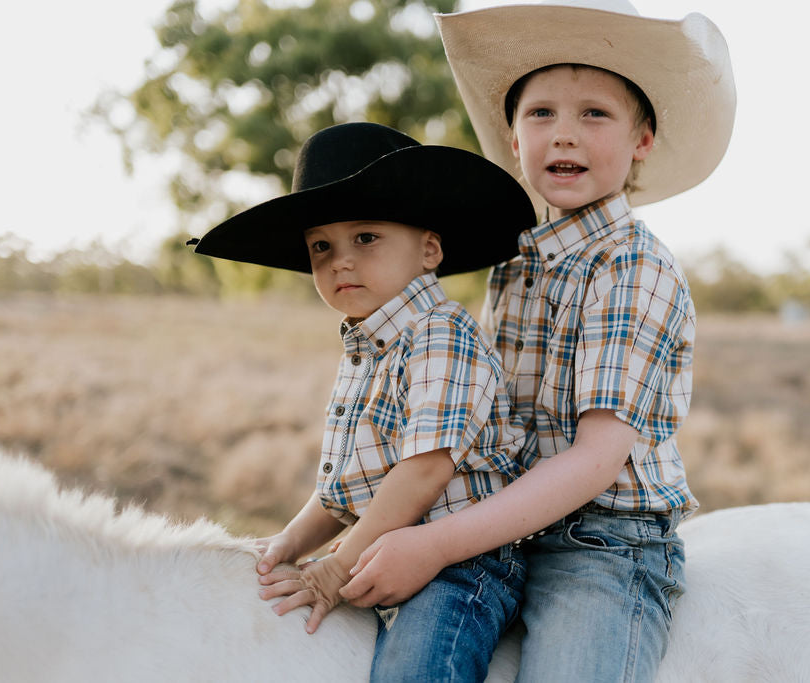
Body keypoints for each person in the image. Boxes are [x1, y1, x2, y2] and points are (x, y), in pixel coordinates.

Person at [337, 1, 737, 681]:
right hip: (504, 525)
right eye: (541, 113)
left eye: (595, 114)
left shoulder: (634, 266)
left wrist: (433, 542)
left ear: (643, 139)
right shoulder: (515, 260)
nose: (564, 136)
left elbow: (593, 460)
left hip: (606, 541)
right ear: (513, 135)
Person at [187, 121, 537, 682]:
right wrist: (286, 544)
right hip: (384, 541)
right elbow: (342, 492)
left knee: (415, 671)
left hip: (462, 562)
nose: (340, 261)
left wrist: (335, 569)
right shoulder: (368, 346)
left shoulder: (440, 333)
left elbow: (423, 471)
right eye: (321, 246)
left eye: (365, 238)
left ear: (429, 249)